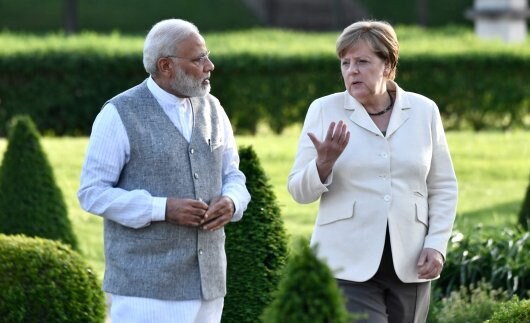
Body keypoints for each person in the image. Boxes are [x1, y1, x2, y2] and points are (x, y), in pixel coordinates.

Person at [77, 18, 251, 323]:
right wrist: (162, 208)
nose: (210, 66)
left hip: (210, 285)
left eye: (207, 56)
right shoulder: (118, 114)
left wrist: (232, 201)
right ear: (165, 66)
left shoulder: (214, 107)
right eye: (198, 59)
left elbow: (233, 174)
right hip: (145, 290)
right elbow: (92, 193)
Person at [287, 20, 458, 323]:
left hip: (411, 263)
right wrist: (323, 164)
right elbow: (298, 192)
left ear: (388, 66)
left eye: (362, 62)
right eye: (345, 63)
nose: (352, 70)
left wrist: (437, 244)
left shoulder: (423, 111)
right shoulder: (324, 110)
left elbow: (443, 186)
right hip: (346, 265)